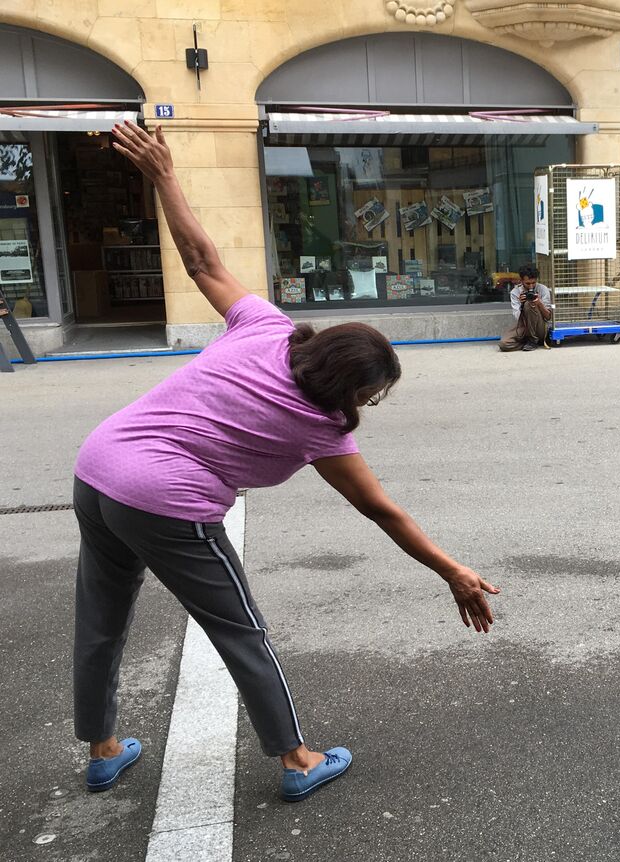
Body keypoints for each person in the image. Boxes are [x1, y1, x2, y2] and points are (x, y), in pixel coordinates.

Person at [73, 122, 500, 803]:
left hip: (96, 467)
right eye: (371, 393)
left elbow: (201, 259)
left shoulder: (267, 328)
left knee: (99, 617)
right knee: (241, 631)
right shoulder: (321, 429)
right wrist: (452, 570)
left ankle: (101, 750)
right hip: (163, 498)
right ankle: (299, 759)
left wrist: (165, 175)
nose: (371, 403)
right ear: (349, 390)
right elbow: (381, 510)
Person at [498, 264, 552, 352]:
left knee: (529, 304)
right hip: (524, 326)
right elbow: (518, 318)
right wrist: (522, 305)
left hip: (541, 327)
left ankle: (533, 340)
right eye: (528, 283)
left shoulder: (543, 289)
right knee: (504, 344)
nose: (531, 286)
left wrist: (539, 303)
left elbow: (548, 317)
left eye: (533, 283)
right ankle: (531, 342)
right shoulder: (515, 292)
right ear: (521, 281)